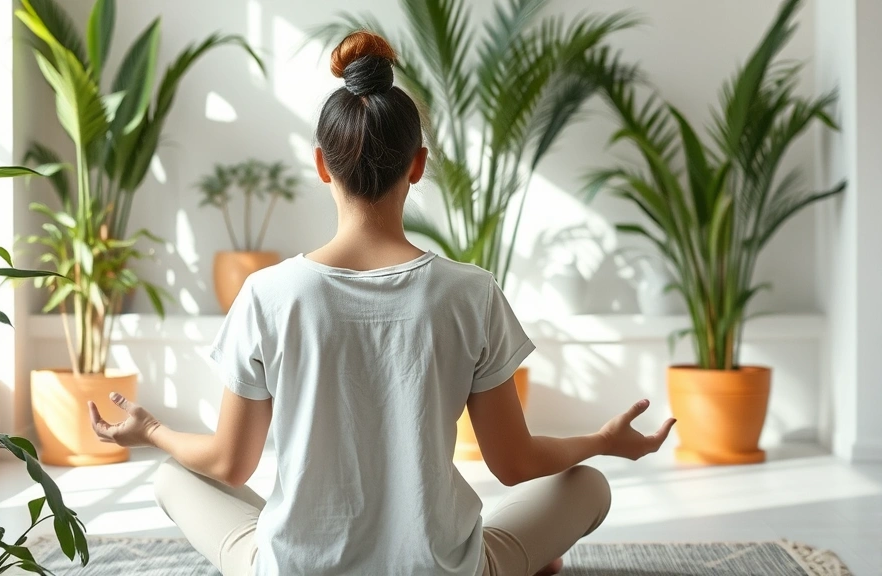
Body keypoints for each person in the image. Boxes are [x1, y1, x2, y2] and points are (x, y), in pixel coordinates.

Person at [88, 30, 675, 576]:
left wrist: (153, 428)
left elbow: (228, 465)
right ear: (417, 166)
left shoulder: (268, 293)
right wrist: (602, 440)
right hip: (440, 568)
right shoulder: (470, 291)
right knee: (589, 485)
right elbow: (514, 465)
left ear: (322, 164)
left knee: (175, 477)